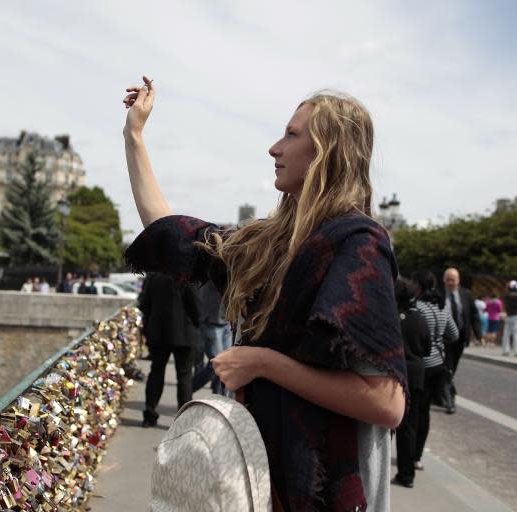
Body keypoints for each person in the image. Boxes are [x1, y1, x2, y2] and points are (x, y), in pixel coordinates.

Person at [122, 76, 406, 510]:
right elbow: (171, 232)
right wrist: (135, 137)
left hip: (327, 490)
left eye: (291, 135)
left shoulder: (360, 244)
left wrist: (263, 363)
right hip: (266, 476)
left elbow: (387, 402)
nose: (275, 148)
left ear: (328, 151)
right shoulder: (270, 244)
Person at [138, 272, 200, 428]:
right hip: (184, 332)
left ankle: (149, 413)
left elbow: (144, 303)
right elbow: (196, 304)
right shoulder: (188, 273)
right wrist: (197, 323)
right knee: (184, 376)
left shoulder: (154, 275)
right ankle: (184, 420)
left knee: (156, 372)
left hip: (159, 332)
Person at [411, 270, 458, 469]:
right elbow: (454, 334)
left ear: (419, 285)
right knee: (426, 412)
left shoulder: (417, 307)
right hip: (438, 364)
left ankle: (409, 454)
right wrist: (439, 340)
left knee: (413, 413)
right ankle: (418, 455)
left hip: (421, 365)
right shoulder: (442, 306)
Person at [392, 277, 431, 489]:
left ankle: (405, 474)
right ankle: (408, 471)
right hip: (417, 375)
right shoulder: (419, 319)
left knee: (397, 427)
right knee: (410, 426)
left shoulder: (392, 318)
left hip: (398, 375)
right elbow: (427, 347)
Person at [192, 280, 232, 395]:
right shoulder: (215, 267)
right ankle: (187, 389)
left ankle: (219, 398)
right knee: (219, 364)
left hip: (226, 322)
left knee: (224, 366)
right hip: (211, 322)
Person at [441, 268, 482, 377]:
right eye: (448, 280)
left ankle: (448, 383)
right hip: (444, 337)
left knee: (454, 363)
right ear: (443, 280)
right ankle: (446, 387)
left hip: (461, 336)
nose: (450, 283)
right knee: (446, 364)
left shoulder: (466, 294)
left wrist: (478, 334)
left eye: (453, 280)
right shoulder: (439, 294)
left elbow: (474, 315)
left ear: (458, 281)